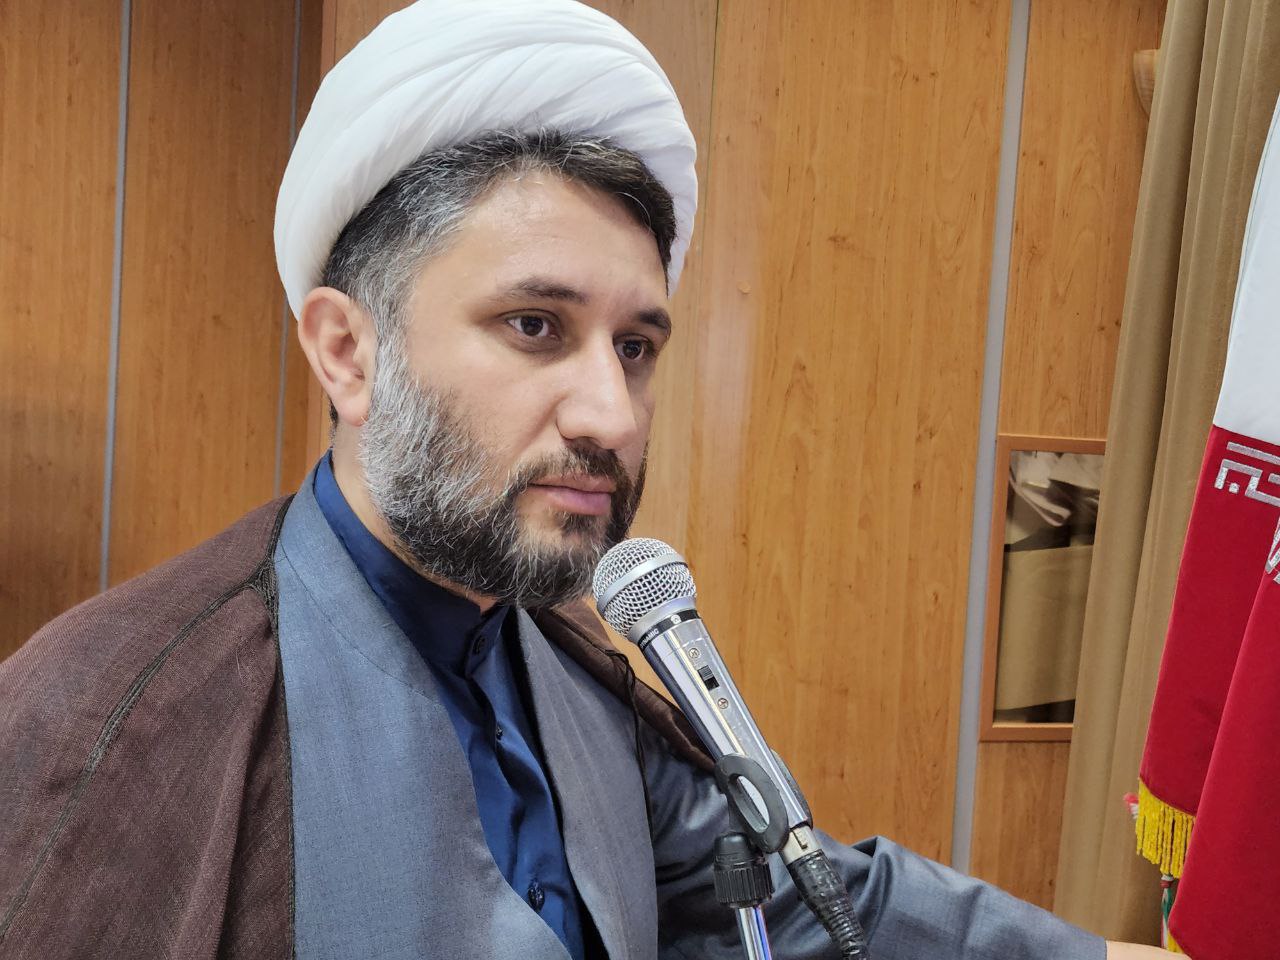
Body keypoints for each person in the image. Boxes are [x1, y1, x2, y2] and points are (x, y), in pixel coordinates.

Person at [0, 2, 1171, 957]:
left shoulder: (566, 666)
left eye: (636, 346)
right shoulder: (109, 721)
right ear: (347, 352)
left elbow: (797, 899)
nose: (611, 414)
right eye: (533, 326)